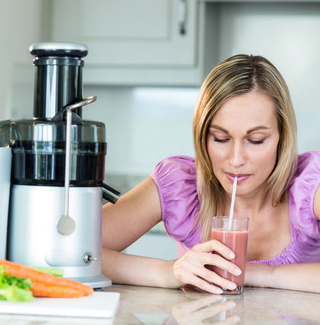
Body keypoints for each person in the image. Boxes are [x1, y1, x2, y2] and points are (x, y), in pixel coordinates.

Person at [102, 54, 320, 294]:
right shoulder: (181, 187)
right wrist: (167, 271)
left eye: (256, 140)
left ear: (282, 136)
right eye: (221, 138)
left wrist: (256, 273)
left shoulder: (310, 187)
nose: (236, 160)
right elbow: (67, 252)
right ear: (202, 135)